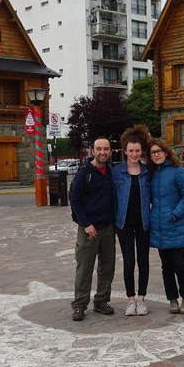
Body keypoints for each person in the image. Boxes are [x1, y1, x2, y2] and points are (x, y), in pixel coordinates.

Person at [69, 136, 116, 321]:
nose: (103, 152)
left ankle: (101, 301)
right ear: (93, 151)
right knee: (84, 269)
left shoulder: (111, 172)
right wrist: (86, 224)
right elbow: (74, 200)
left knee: (107, 268)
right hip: (88, 229)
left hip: (108, 228)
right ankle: (80, 305)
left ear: (110, 151)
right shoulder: (84, 173)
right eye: (99, 149)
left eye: (106, 149)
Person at [147, 138, 184, 314]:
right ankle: (172, 299)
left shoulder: (177, 170)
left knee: (178, 264)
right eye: (152, 153)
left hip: (175, 224)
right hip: (158, 225)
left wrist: (176, 213)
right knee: (165, 266)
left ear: (166, 152)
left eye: (158, 151)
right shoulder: (151, 173)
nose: (156, 155)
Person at [113, 125, 151, 316]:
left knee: (143, 261)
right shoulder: (116, 172)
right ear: (125, 151)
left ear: (142, 150)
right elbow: (111, 198)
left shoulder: (147, 172)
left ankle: (142, 299)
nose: (134, 154)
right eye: (131, 151)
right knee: (129, 261)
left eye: (137, 150)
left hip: (144, 223)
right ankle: (130, 299)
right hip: (123, 224)